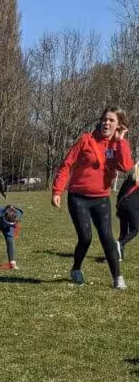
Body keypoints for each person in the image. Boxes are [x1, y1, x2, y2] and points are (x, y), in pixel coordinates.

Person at [52, 106, 132, 290]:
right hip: (78, 197)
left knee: (107, 238)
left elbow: (126, 166)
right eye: (104, 119)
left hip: (101, 199)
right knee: (86, 237)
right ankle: (76, 269)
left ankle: (117, 277)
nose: (106, 123)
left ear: (119, 125)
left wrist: (121, 141)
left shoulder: (117, 145)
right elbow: (66, 165)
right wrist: (57, 191)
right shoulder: (86, 140)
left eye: (111, 120)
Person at [117, 161, 139, 260]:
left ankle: (118, 254)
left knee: (123, 231)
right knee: (135, 230)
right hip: (132, 207)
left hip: (122, 206)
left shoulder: (129, 178)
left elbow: (120, 194)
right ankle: (120, 243)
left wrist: (117, 207)